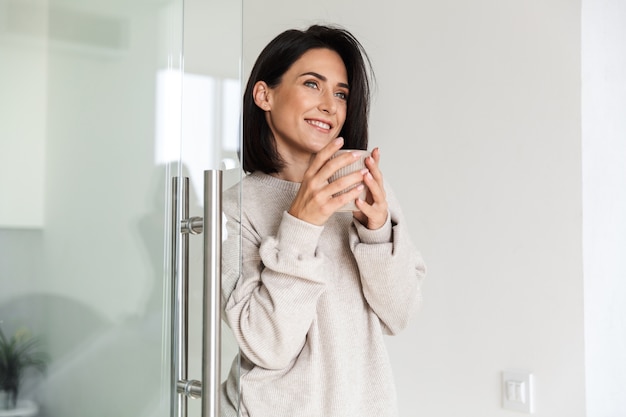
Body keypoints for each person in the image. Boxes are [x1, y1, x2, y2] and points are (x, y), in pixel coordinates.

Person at [220, 24, 426, 417]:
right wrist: (301, 224)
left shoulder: (361, 188)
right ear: (264, 95)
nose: (330, 105)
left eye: (341, 93)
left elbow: (400, 314)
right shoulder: (237, 206)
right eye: (312, 84)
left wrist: (378, 232)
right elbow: (267, 345)